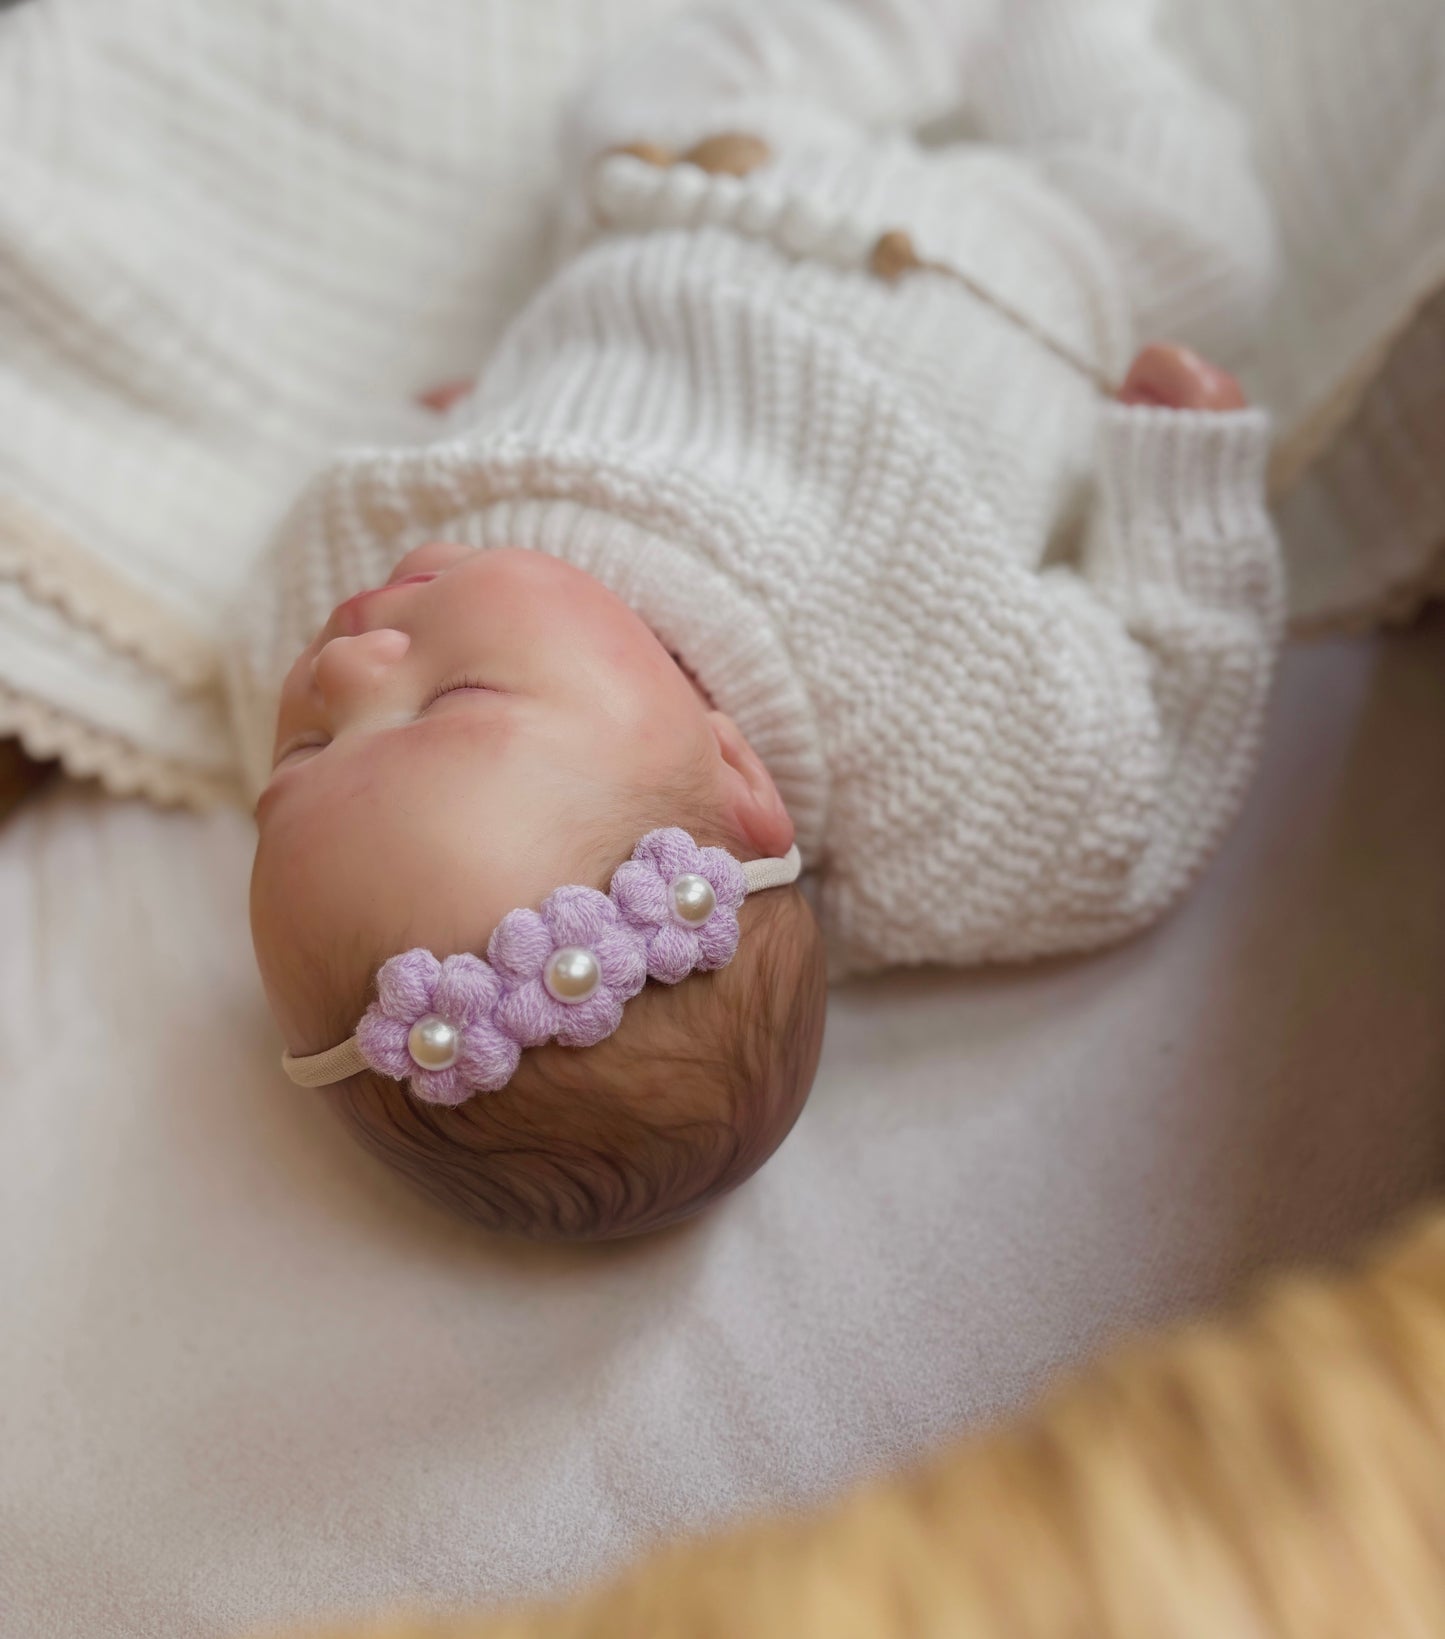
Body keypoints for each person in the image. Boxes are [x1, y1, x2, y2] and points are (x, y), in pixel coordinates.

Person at [240, 0, 1283, 1240]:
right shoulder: (948, 789)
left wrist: (472, 416)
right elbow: (1162, 733)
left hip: (700, 184)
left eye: (298, 756)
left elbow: (280, 606)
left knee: (623, 107)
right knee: (1209, 243)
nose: (345, 665)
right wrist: (1183, 482)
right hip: (1041, 269)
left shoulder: (380, 564)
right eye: (450, 700)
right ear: (738, 779)